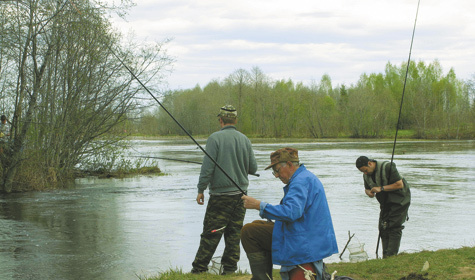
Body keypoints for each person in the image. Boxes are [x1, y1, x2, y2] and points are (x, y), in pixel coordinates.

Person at [241, 147, 338, 280]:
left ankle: (262, 278)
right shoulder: (305, 177)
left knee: (249, 231)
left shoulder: (299, 182)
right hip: (311, 235)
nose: (276, 175)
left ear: (290, 165)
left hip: (304, 240)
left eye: (277, 170)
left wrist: (259, 206)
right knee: (257, 224)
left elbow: (292, 212)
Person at [191, 105, 258, 275]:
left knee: (211, 233)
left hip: (220, 196)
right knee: (234, 233)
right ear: (235, 121)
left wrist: (201, 189)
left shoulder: (214, 139)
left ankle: (198, 269)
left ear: (220, 120)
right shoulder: (245, 139)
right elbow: (253, 167)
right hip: (241, 196)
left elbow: (207, 168)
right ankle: (229, 270)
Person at [355, 156, 411, 258]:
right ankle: (385, 255)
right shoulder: (366, 175)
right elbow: (367, 189)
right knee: (383, 227)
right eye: (362, 172)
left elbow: (399, 184)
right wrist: (369, 193)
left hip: (400, 199)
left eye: (365, 170)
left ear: (370, 164)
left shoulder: (387, 167)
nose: (365, 173)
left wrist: (381, 188)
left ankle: (391, 256)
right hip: (385, 202)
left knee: (394, 227)